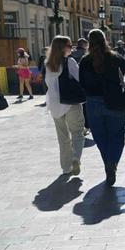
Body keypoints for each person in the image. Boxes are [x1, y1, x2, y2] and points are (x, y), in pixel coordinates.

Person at [79, 29, 125, 186]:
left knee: (100, 138)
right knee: (117, 136)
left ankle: (109, 165)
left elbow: (82, 83)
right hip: (115, 101)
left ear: (89, 42)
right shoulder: (113, 57)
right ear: (105, 40)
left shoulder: (85, 61)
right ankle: (112, 164)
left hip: (93, 104)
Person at [44, 36, 85, 176]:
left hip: (55, 105)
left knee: (63, 137)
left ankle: (66, 167)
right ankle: (75, 158)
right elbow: (80, 78)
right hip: (71, 102)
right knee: (77, 133)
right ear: (63, 47)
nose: (71, 47)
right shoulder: (70, 62)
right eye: (69, 44)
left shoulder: (48, 64)